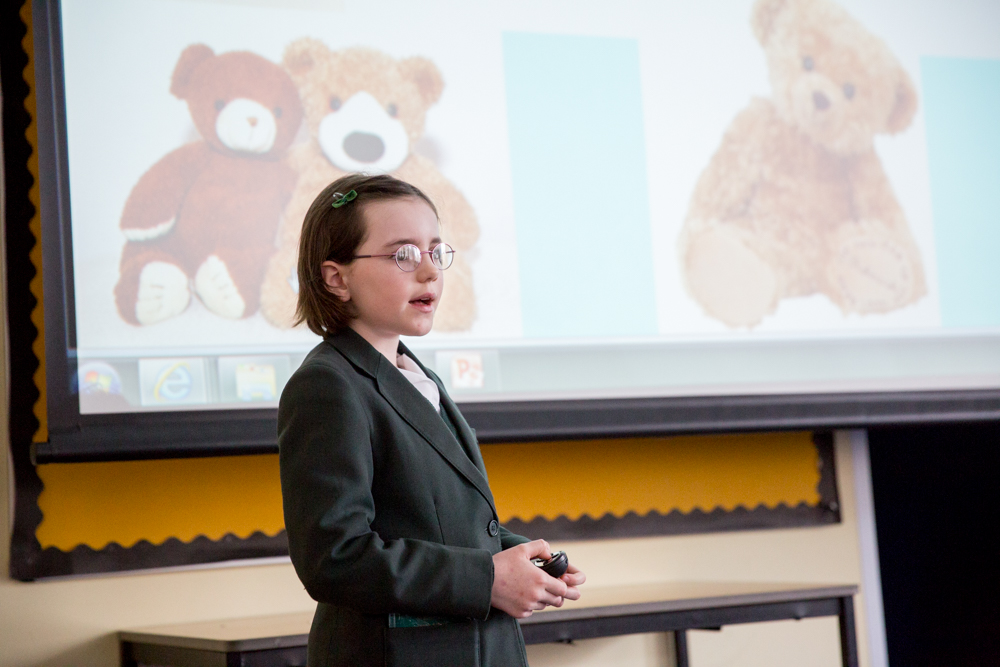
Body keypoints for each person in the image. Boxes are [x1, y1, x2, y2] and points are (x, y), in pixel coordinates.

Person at [278, 173, 585, 667]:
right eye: (403, 255)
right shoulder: (328, 386)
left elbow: (435, 526)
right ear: (337, 278)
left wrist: (517, 558)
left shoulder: (414, 374)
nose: (429, 272)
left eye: (435, 252)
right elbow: (334, 558)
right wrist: (487, 579)